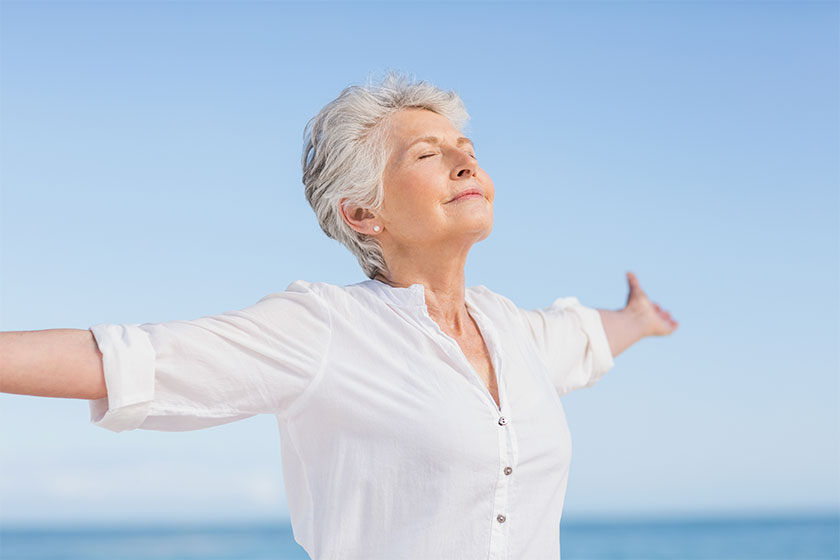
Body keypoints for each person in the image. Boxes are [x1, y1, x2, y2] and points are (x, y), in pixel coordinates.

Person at [0, 71, 678, 559]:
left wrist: (638, 319)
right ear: (363, 214)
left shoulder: (514, 331)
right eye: (426, 154)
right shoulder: (324, 330)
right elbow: (125, 357)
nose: (463, 158)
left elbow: (585, 338)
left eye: (465, 149)